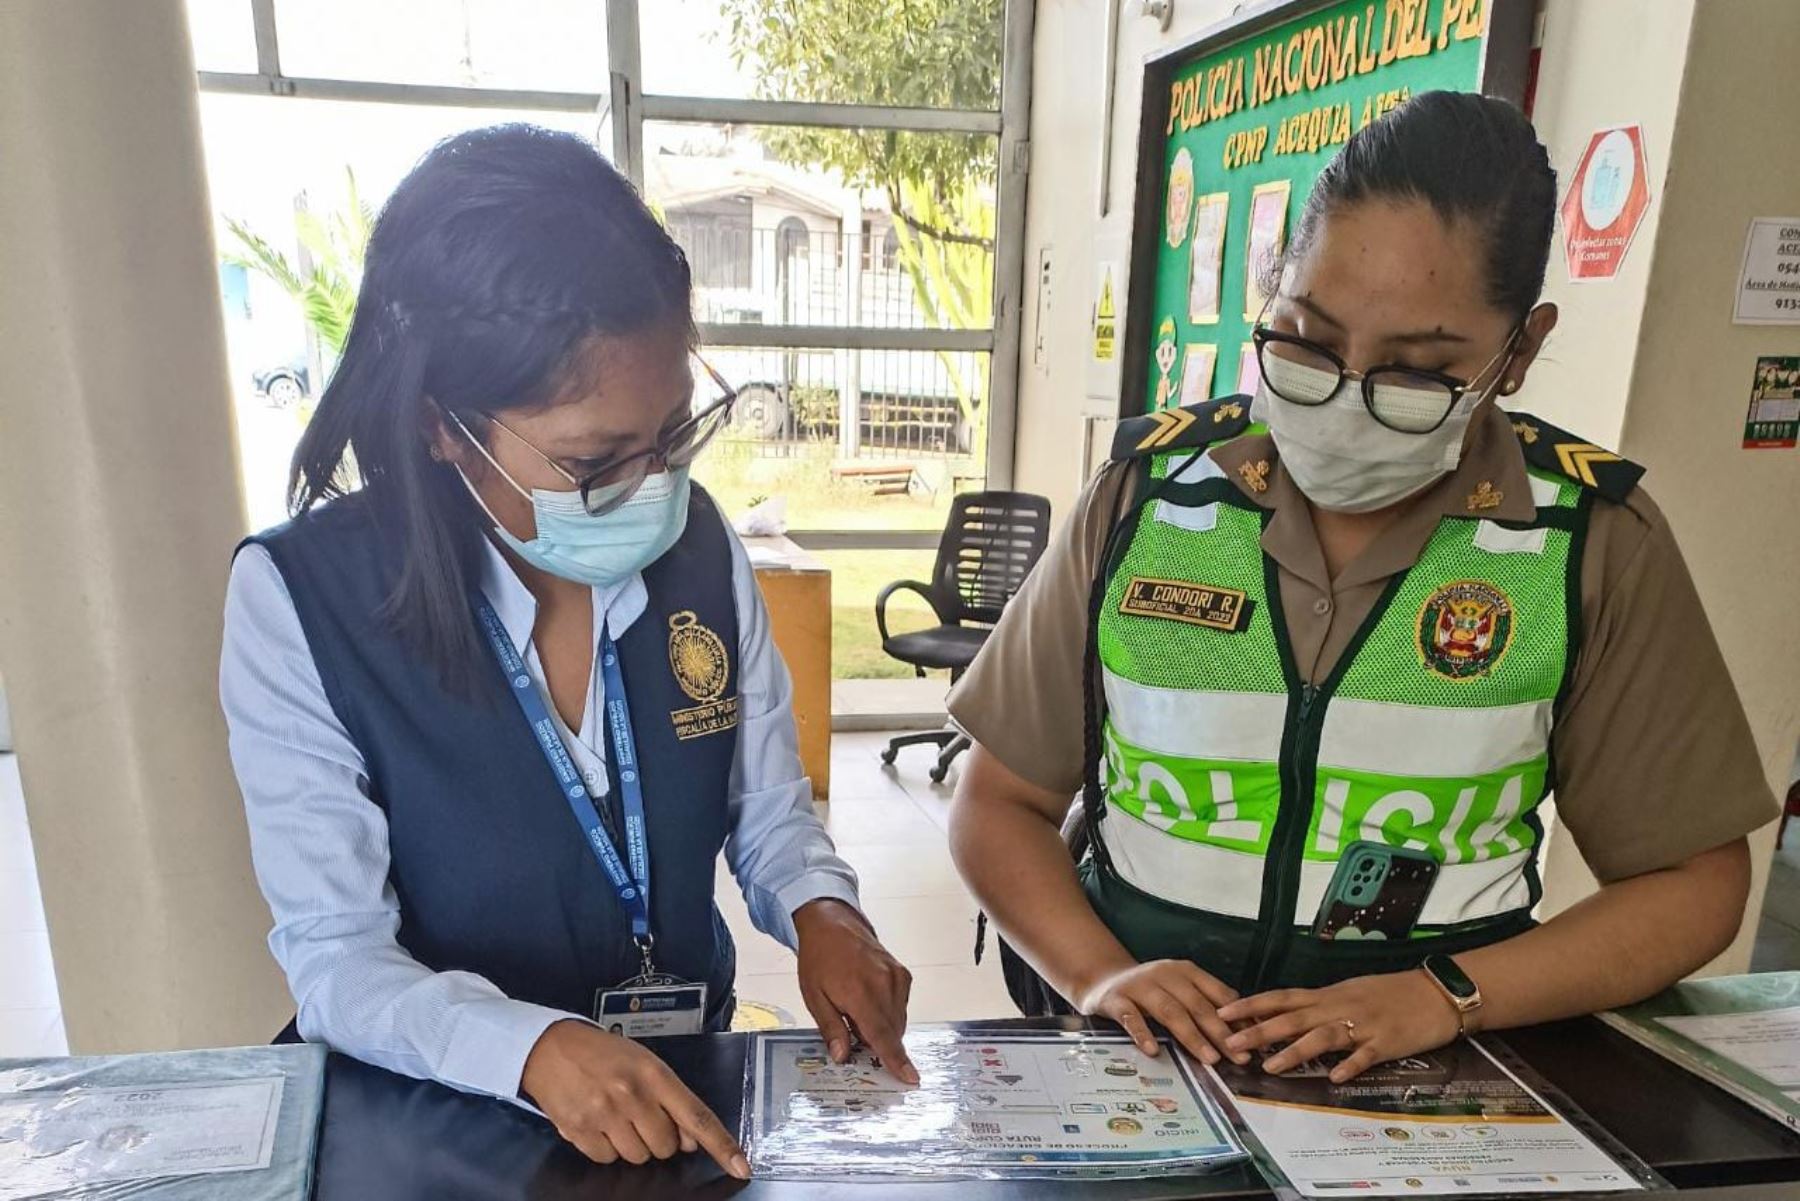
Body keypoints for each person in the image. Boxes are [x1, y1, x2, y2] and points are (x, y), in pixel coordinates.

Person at [948, 92, 1775, 1084]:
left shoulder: (1587, 541)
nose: (1345, 395)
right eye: (1305, 340)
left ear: (1520, 350)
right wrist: (1098, 977)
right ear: (1276, 288)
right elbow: (996, 800)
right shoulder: (1148, 500)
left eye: (1417, 370)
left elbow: (1696, 882)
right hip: (1143, 1064)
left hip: (1430, 1083)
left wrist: (1448, 995)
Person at [220, 125, 915, 1178]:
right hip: (438, 1116)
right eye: (594, 461)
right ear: (439, 426)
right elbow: (336, 956)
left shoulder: (700, 549)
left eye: (674, 434)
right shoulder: (303, 601)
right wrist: (532, 1046)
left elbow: (767, 811)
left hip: (677, 1089)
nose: (651, 487)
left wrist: (826, 912)